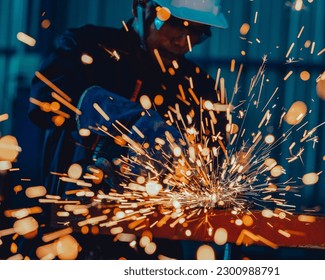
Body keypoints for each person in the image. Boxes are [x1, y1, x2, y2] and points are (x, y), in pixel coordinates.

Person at [27, 0, 228, 259]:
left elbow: (212, 162)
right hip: (69, 233)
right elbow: (42, 100)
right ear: (142, 6)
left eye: (198, 32)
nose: (184, 41)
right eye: (177, 25)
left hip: (153, 242)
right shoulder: (89, 47)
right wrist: (104, 110)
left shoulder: (198, 87)